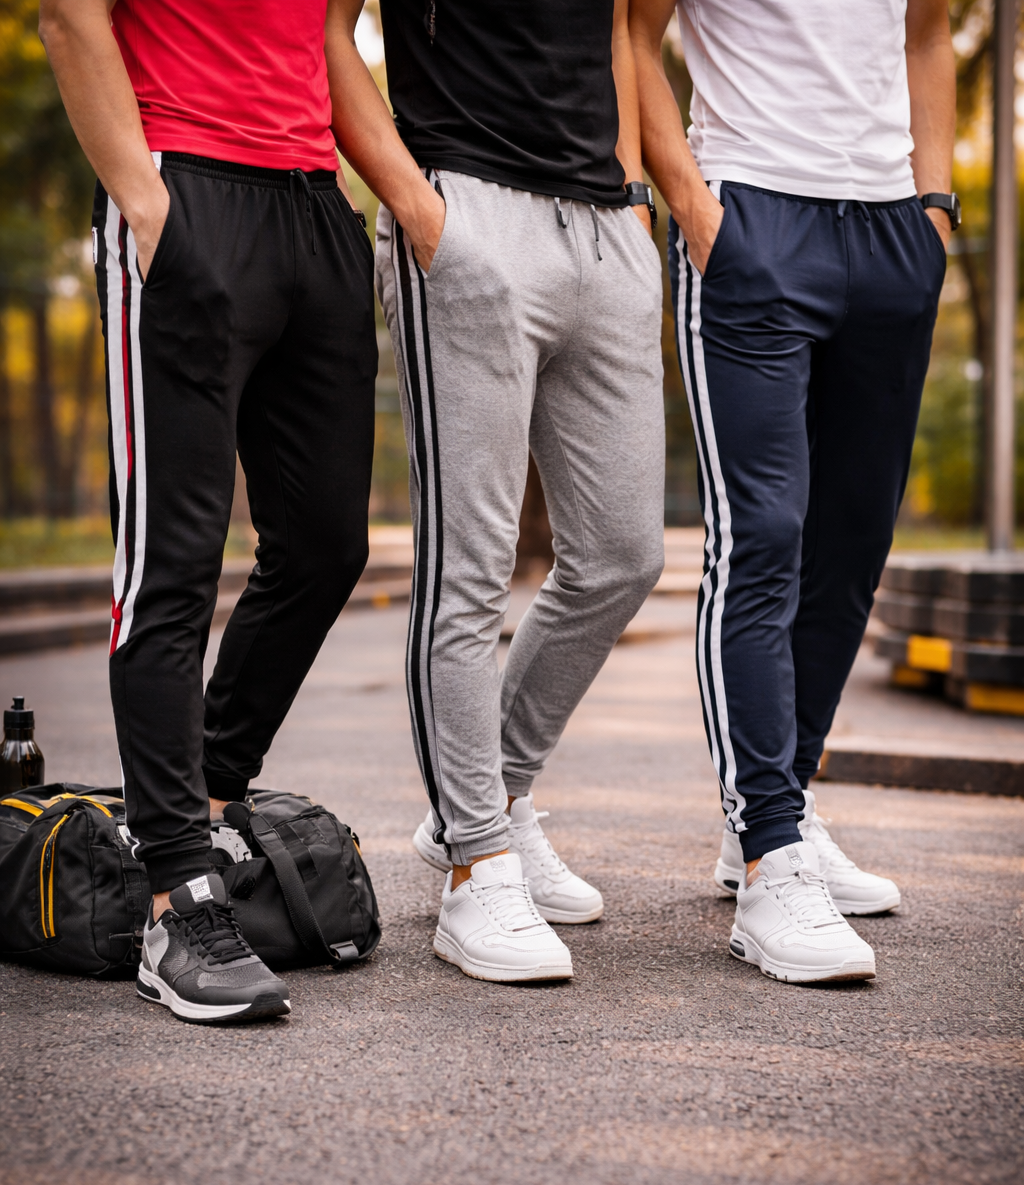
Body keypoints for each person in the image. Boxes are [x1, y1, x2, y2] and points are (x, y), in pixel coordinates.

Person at [40, 0, 378, 1022]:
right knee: (171, 560)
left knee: (325, 545)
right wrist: (145, 204)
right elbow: (68, 15)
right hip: (183, 181)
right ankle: (177, 899)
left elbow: (334, 23)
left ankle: (215, 786)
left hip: (313, 201)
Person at [329, 0, 666, 984]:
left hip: (603, 225)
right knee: (468, 567)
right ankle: (477, 865)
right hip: (464, 206)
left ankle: (486, 801)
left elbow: (619, 28)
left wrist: (633, 195)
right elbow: (324, 32)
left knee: (619, 555)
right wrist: (417, 207)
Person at [630, 0, 955, 983]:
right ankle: (770, 853)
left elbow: (928, 33)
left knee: (853, 540)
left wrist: (934, 208)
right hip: (754, 215)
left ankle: (784, 807)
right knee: (761, 534)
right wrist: (693, 206)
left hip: (891, 231)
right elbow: (632, 36)